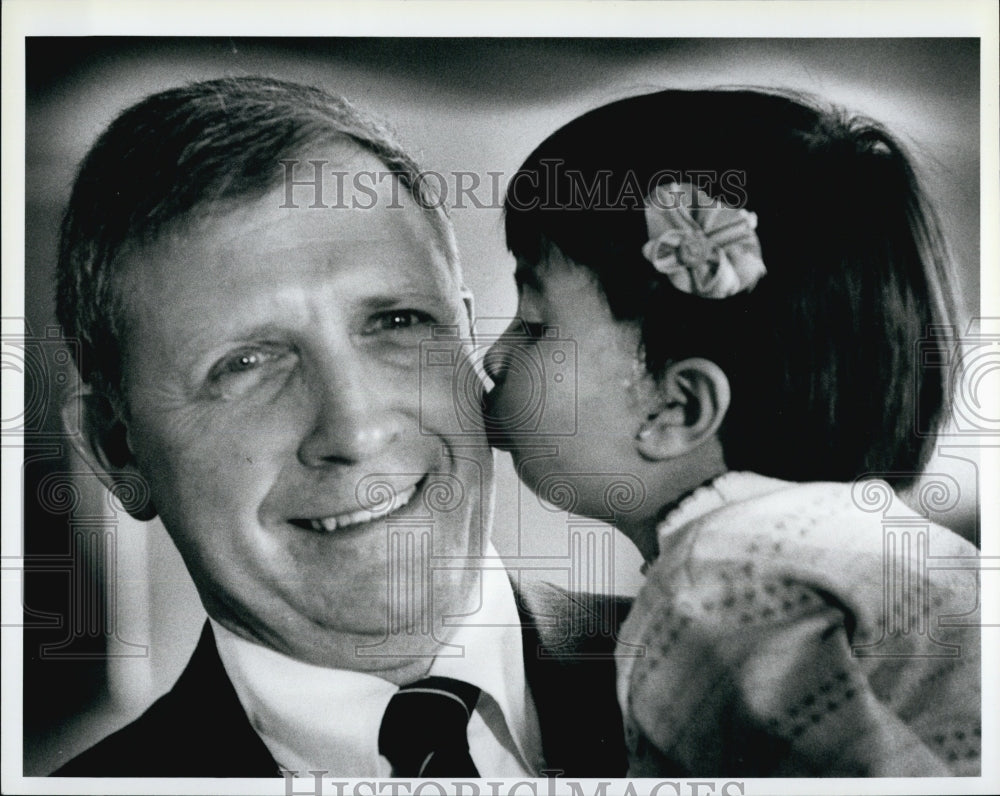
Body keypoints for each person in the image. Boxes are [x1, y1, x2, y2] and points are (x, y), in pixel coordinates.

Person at [52, 76, 628, 778]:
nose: (355, 431)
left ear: (469, 340)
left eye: (397, 322)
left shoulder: (766, 688)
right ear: (116, 451)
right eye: (246, 364)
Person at [483, 88, 981, 776]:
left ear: (678, 409)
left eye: (535, 325)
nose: (495, 356)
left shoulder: (716, 586)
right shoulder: (873, 545)